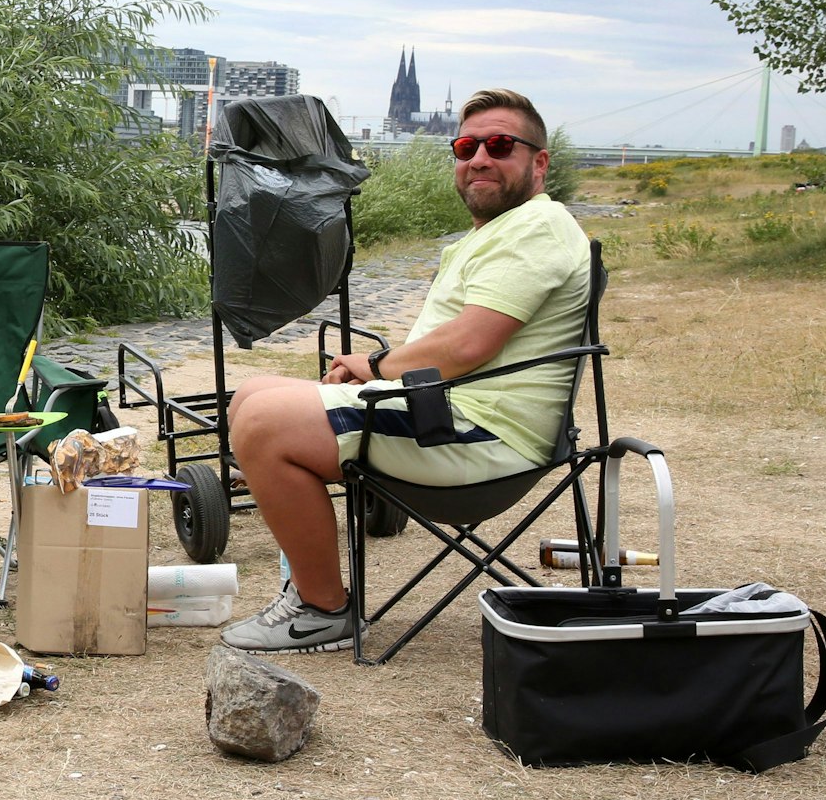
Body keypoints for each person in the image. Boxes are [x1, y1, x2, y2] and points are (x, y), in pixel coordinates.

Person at [219, 88, 590, 652]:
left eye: (500, 145)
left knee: (264, 422)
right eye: (466, 147)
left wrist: (374, 365)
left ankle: (322, 610)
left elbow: (467, 346)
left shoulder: (536, 226)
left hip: (480, 438)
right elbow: (461, 345)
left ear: (539, 162)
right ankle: (308, 592)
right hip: (453, 415)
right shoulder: (503, 231)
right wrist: (380, 371)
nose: (480, 158)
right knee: (252, 395)